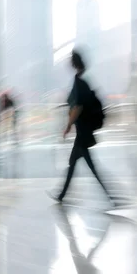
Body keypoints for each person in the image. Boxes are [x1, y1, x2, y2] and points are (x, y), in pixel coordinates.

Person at [47, 50, 113, 204]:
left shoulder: (79, 82)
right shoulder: (83, 80)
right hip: (83, 131)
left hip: (83, 131)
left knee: (91, 166)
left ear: (74, 63)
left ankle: (111, 196)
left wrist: (68, 125)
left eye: (70, 60)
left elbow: (78, 107)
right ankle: (61, 194)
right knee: (73, 163)